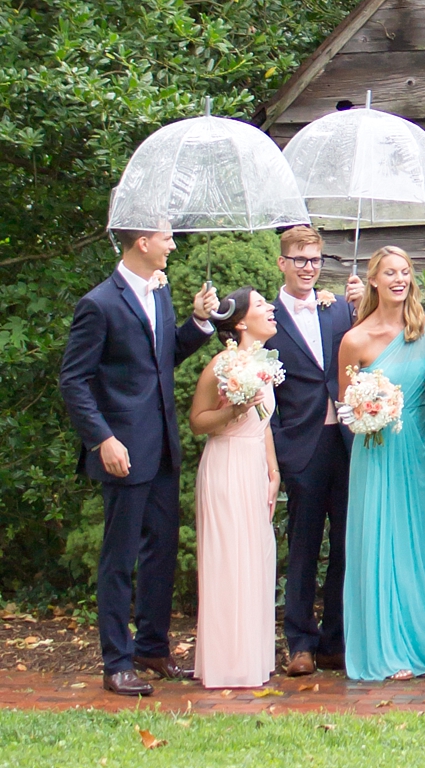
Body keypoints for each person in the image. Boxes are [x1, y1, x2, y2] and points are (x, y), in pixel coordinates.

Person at [58, 223, 218, 695]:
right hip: (123, 452)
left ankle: (151, 646)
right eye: (166, 237)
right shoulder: (99, 303)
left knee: (160, 554)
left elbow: (161, 358)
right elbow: (73, 381)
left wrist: (200, 324)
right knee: (119, 557)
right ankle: (116, 661)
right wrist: (102, 439)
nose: (172, 244)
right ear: (142, 243)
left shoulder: (159, 295)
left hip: (163, 447)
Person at [336, 245, 425, 681]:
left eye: (405, 271)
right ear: (374, 281)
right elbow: (346, 406)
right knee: (380, 540)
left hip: (418, 448)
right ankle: (386, 648)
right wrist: (368, 416)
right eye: (390, 273)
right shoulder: (355, 340)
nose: (399, 279)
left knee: (419, 543)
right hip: (376, 452)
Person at [186, 288, 282, 690]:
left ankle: (252, 659)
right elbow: (197, 421)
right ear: (240, 322)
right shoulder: (224, 363)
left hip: (254, 467)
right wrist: (233, 410)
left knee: (256, 558)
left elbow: (263, 424)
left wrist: (273, 471)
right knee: (229, 559)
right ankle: (227, 663)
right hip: (225, 466)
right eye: (262, 305)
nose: (271, 309)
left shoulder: (263, 362)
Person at [267, 223, 352, 678]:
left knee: (343, 544)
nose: (308, 268)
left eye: (315, 259)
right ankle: (299, 641)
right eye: (300, 259)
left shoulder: (337, 309)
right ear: (283, 263)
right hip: (300, 443)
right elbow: (263, 388)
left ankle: (333, 641)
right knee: (303, 546)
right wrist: (279, 446)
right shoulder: (267, 317)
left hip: (344, 440)